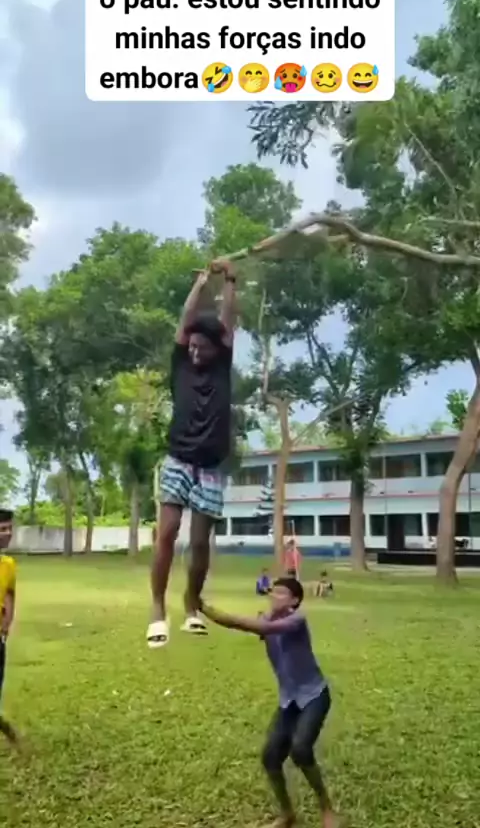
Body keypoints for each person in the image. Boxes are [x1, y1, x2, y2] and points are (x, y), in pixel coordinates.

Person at [147, 258, 236, 647]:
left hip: (211, 467)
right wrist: (201, 283)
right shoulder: (181, 364)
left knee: (200, 543)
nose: (196, 352)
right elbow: (186, 321)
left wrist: (230, 279)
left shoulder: (221, 366)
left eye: (203, 347)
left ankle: (191, 605)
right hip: (178, 459)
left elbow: (227, 320)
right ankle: (157, 611)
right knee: (167, 533)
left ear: (217, 350)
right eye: (193, 346)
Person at [200, 577, 338, 828]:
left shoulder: (296, 620)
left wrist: (207, 609)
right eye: (273, 591)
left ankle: (326, 807)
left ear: (294, 601)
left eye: (282, 593)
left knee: (301, 749)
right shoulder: (265, 620)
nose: (275, 595)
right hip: (289, 699)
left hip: (315, 695)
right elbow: (256, 625)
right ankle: (287, 814)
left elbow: (252, 626)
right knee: (271, 757)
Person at [0, 509, 18, 745]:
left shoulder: (8, 564)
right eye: (2, 529)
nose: (8, 533)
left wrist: (6, 625)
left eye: (10, 528)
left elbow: (10, 594)